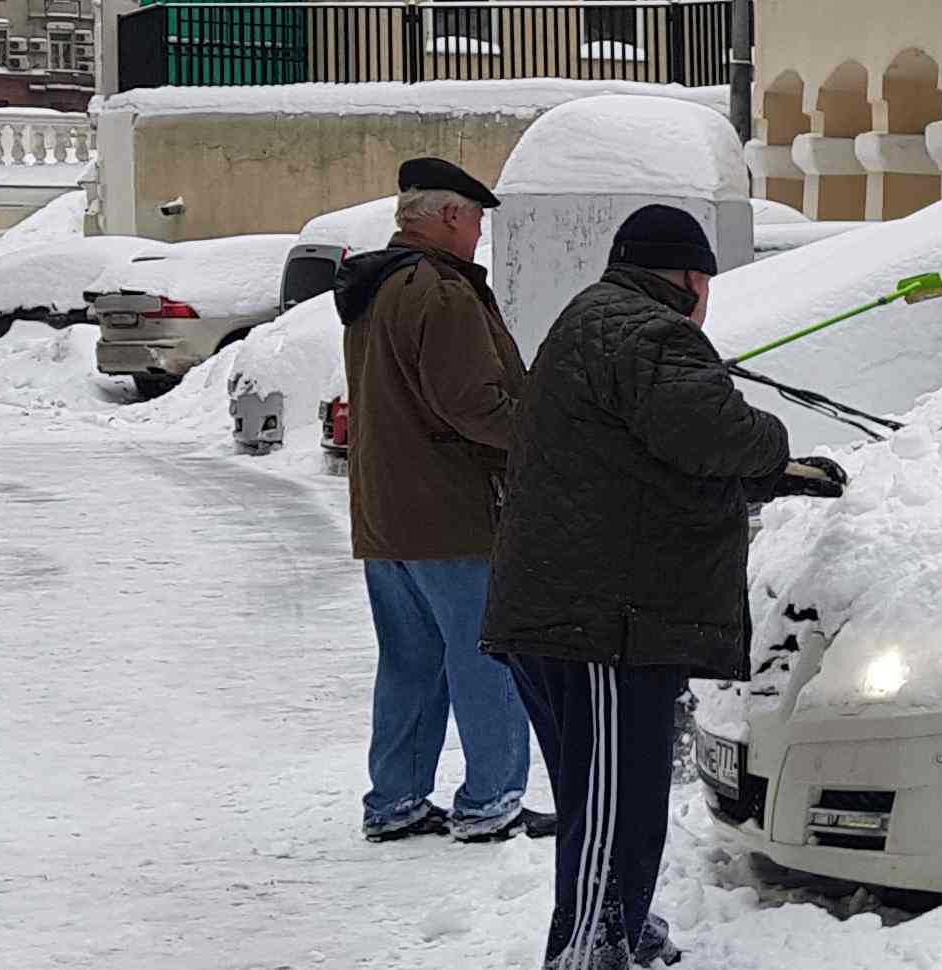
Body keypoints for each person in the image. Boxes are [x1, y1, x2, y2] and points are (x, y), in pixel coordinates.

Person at [481, 205, 845, 969]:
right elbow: (715, 432)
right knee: (617, 809)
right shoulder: (651, 332)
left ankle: (619, 923)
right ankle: (590, 950)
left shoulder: (594, 318)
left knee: (600, 800)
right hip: (604, 624)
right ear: (687, 278)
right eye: (705, 281)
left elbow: (649, 456)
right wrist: (775, 446)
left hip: (568, 611)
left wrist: (771, 478)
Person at [334, 157, 554, 844]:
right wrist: (546, 437)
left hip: (385, 513)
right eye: (477, 219)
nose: (480, 233)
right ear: (450, 215)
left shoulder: (376, 287)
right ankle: (491, 799)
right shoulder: (441, 292)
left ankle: (395, 799)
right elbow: (473, 404)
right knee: (486, 657)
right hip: (453, 512)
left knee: (409, 664)